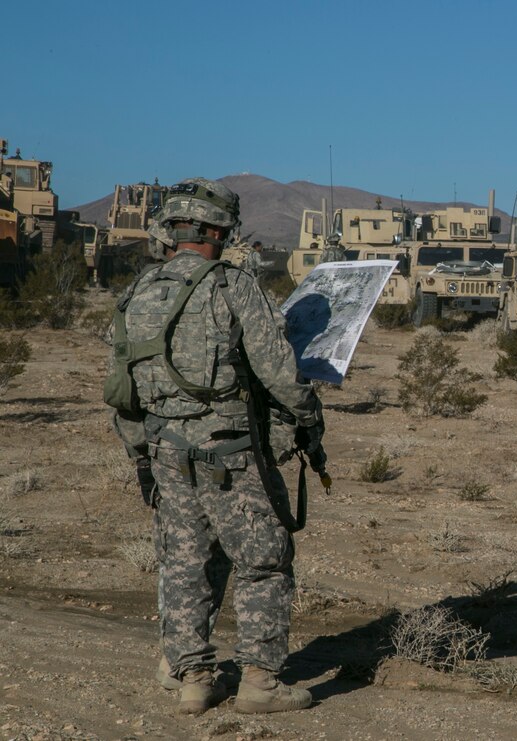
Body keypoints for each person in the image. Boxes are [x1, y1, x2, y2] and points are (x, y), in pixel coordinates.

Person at [108, 178, 324, 715]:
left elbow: (122, 390)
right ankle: (259, 684)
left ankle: (192, 680)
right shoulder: (233, 285)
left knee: (184, 563)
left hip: (165, 451)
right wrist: (308, 416)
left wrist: (142, 456)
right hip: (230, 453)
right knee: (264, 562)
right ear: (215, 231)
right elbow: (278, 371)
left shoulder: (139, 291)